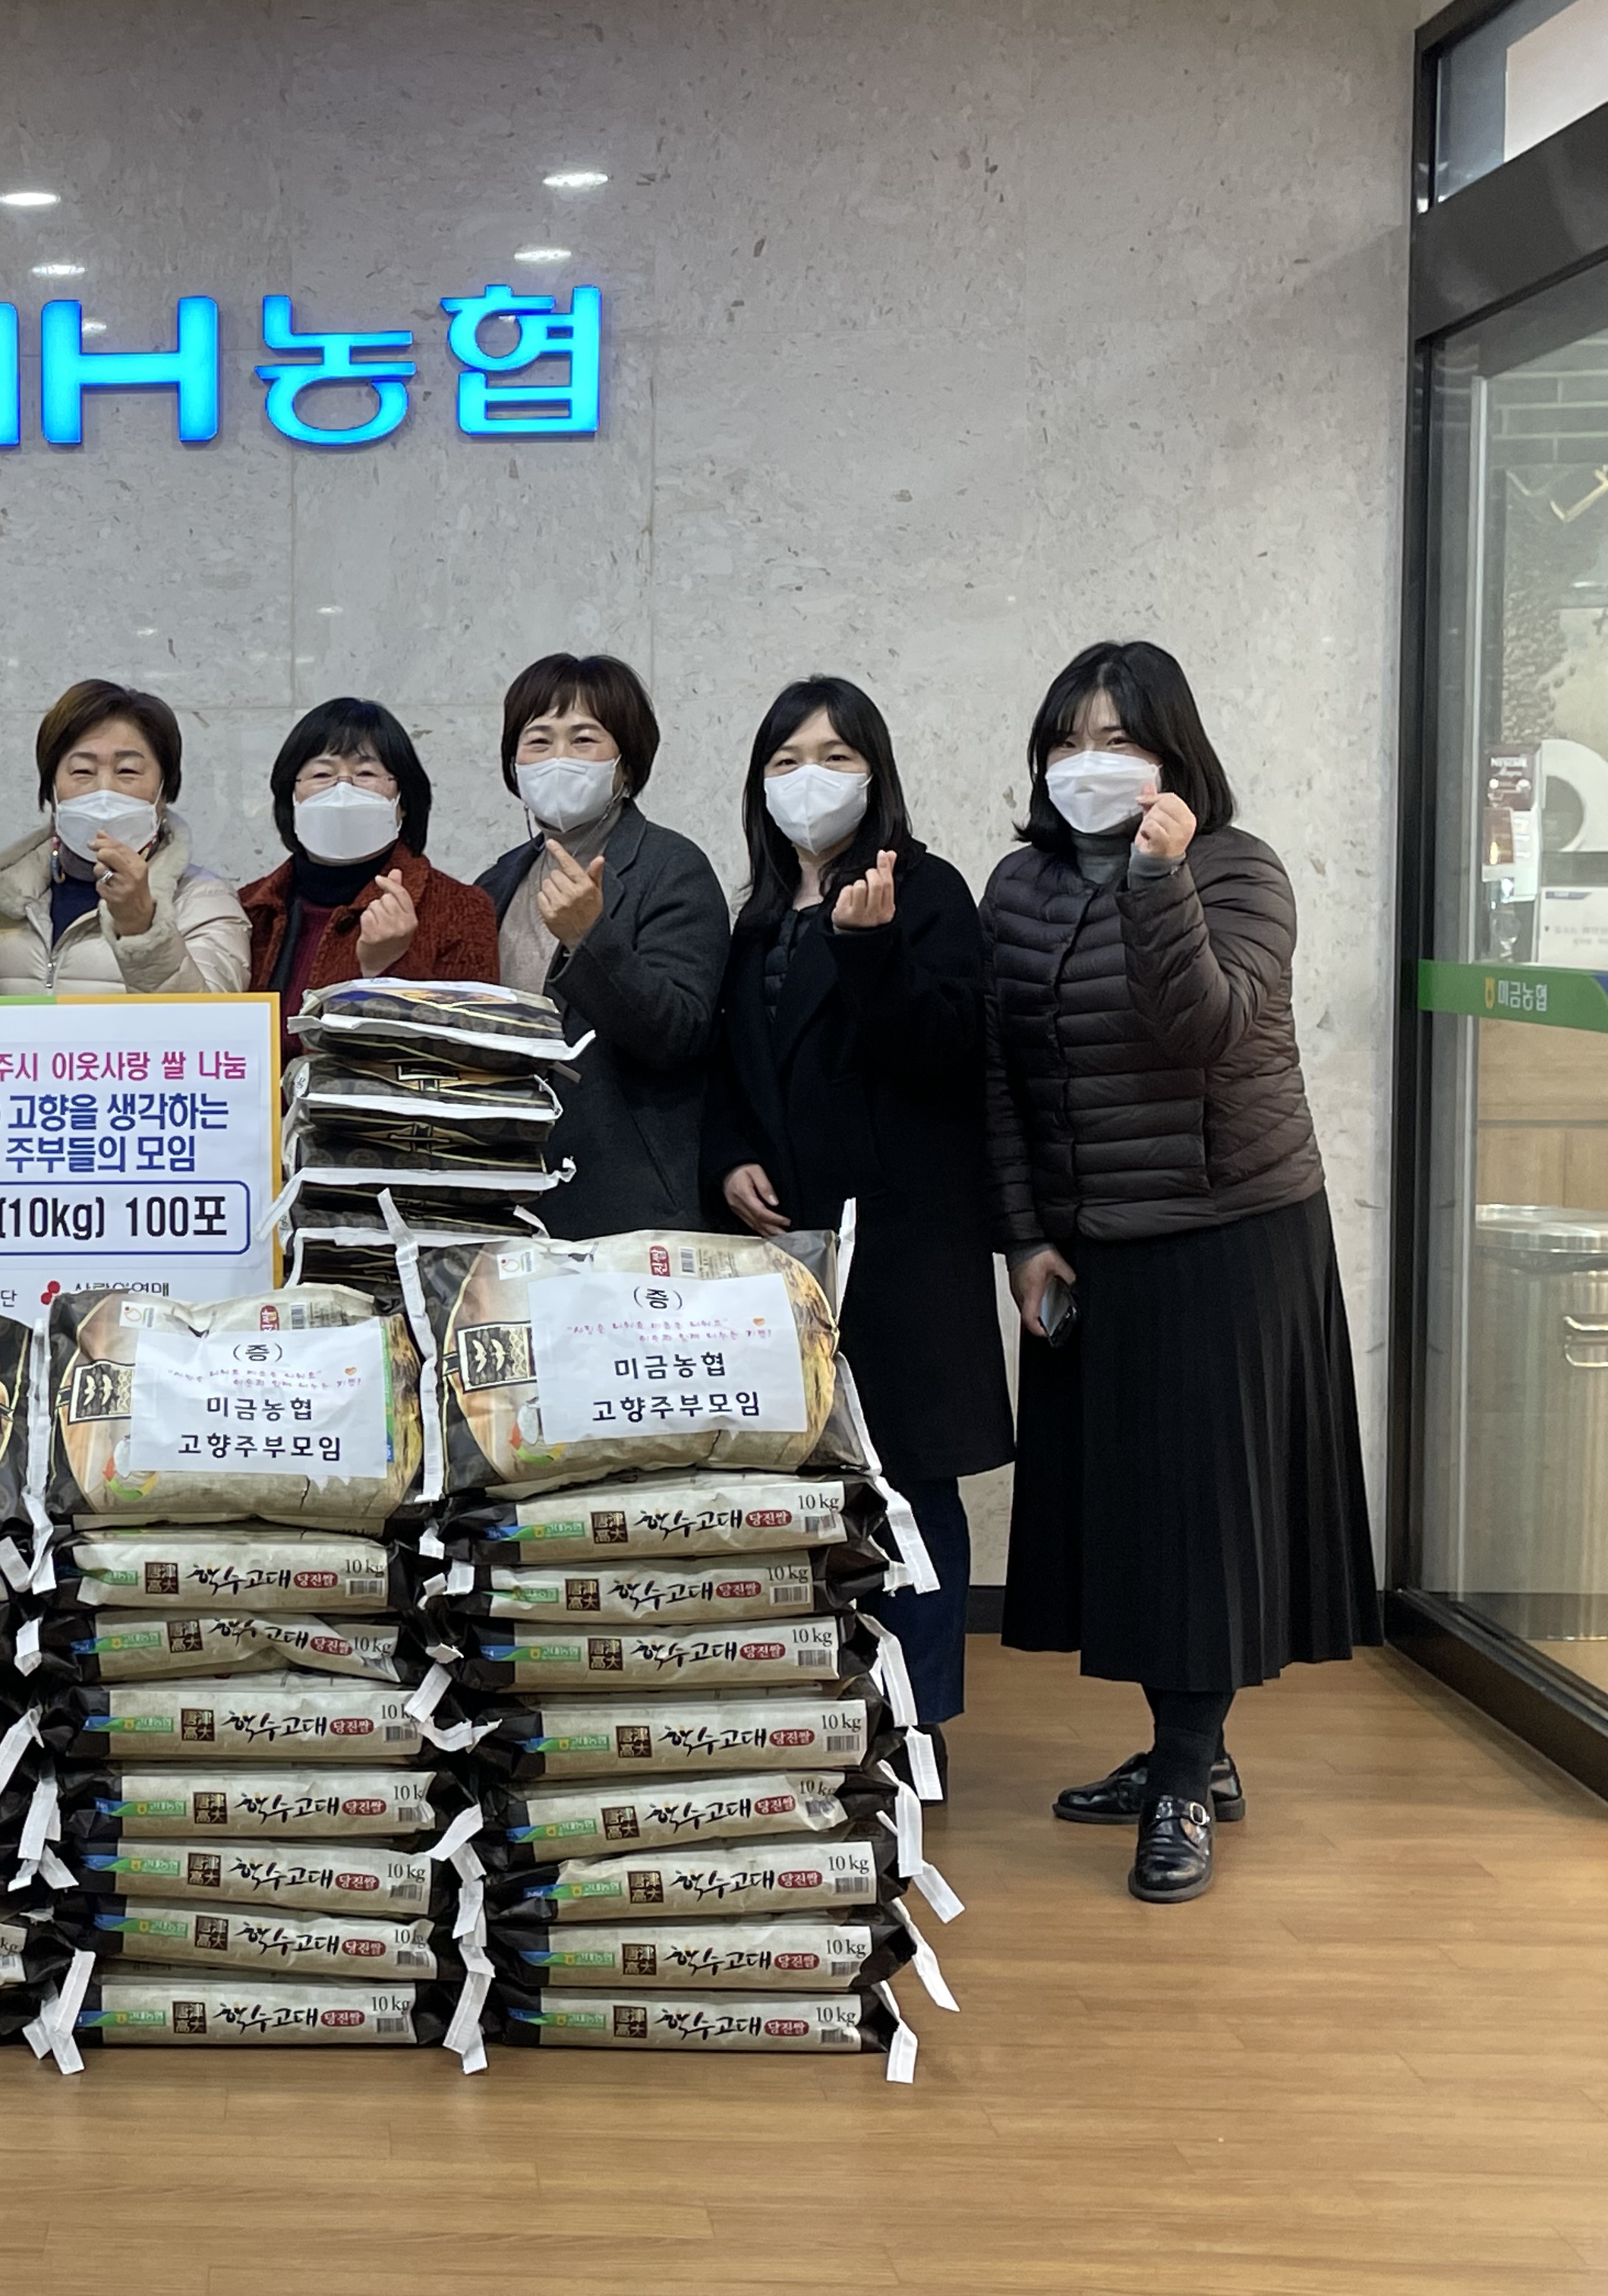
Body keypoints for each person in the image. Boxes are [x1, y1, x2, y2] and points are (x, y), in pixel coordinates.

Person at [983, 639, 1378, 1904]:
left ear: (1173, 756)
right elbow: (1001, 1077)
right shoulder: (1020, 884)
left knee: (1201, 1521)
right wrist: (1023, 1234)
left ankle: (1184, 1781)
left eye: (1117, 739)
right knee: (1133, 1520)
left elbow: (1206, 1024)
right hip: (1090, 1237)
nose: (1087, 763)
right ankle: (1187, 1751)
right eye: (1067, 740)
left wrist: (1159, 879)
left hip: (1230, 1233)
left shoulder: (1237, 869)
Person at [699, 676, 1012, 1742]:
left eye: (835, 758)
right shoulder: (754, 917)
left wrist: (871, 950)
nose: (810, 780)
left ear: (876, 775)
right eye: (786, 761)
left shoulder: (925, 889)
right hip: (783, 1250)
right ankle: (820, 1722)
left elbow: (946, 1052)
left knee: (911, 1487)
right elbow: (730, 1071)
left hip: (900, 1246)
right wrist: (730, 1158)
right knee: (799, 1491)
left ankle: (917, 1731)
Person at [474, 653, 728, 1237]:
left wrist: (589, 937)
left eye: (583, 739)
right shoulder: (495, 883)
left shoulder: (671, 867)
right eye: (538, 740)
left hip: (626, 1200)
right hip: (505, 1197)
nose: (558, 758)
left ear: (626, 760)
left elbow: (679, 1033)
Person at [240, 698, 497, 1033]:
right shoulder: (249, 910)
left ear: (402, 800)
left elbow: (472, 1042)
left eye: (365, 773)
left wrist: (387, 968)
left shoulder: (461, 909)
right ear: (291, 796)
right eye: (322, 773)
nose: (342, 789)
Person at [0, 679, 249, 993]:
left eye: (127, 771)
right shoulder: (11, 900)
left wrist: (143, 927)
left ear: (164, 792)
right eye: (82, 771)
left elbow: (213, 1020)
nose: (104, 790)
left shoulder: (203, 901)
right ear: (51, 790)